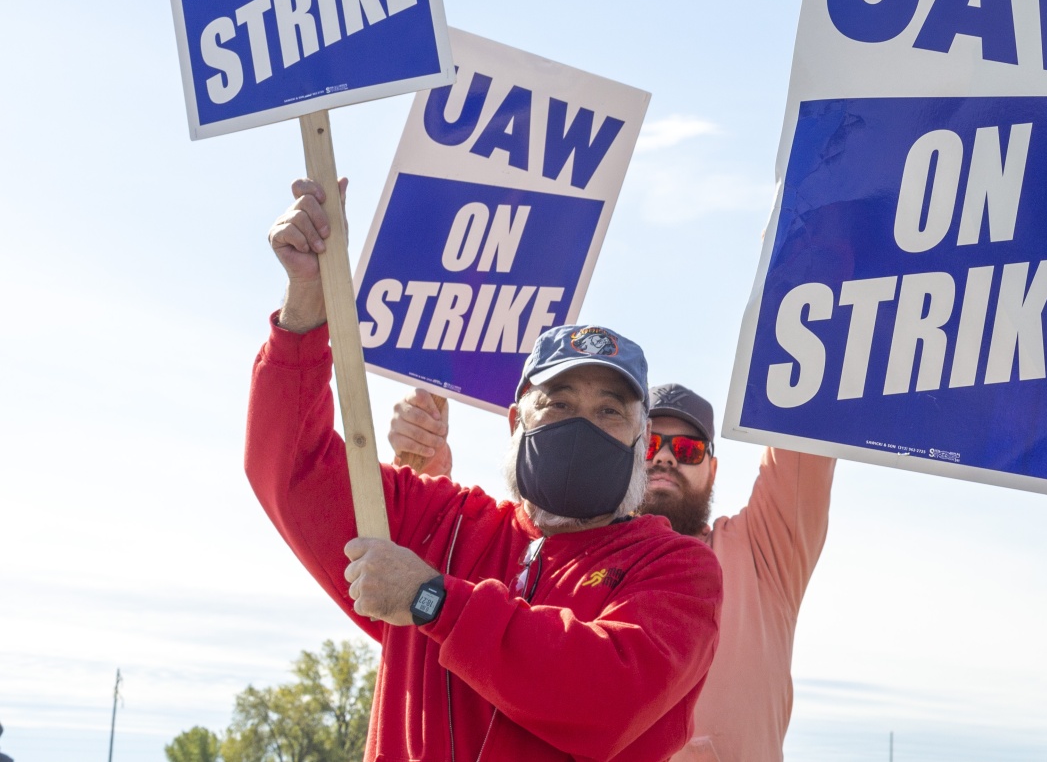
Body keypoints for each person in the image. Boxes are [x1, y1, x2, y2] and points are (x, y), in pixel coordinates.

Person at [249, 178, 723, 761]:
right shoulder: (439, 523)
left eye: (609, 411)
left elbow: (605, 695)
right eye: (558, 404)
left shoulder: (677, 570)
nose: (583, 425)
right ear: (514, 423)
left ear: (642, 441)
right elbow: (294, 470)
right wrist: (304, 311)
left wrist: (431, 601)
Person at [388, 380, 835, 762]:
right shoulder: (568, 550)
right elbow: (455, 558)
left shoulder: (764, 552)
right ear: (624, 452)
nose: (665, 459)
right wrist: (421, 462)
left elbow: (805, 437)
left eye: (686, 449)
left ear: (713, 469)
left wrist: (822, 289)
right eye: (651, 444)